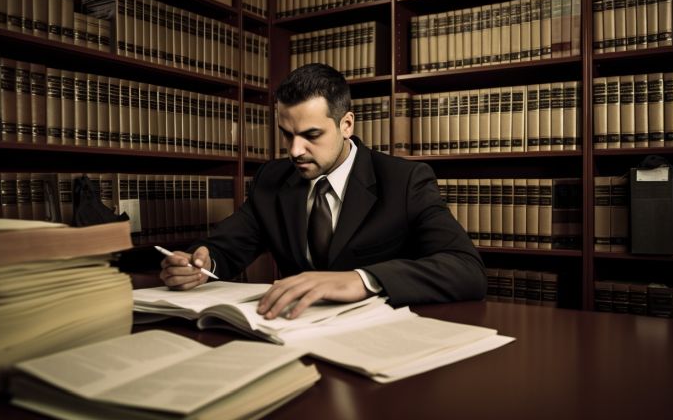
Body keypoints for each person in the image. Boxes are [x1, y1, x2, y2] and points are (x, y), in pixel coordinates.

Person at [160, 63, 485, 319]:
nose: (295, 150)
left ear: (346, 125)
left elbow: (466, 271)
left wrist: (361, 280)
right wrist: (201, 263)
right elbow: (227, 248)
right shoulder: (272, 178)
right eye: (286, 134)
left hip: (383, 343)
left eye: (311, 134)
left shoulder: (404, 180)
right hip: (291, 335)